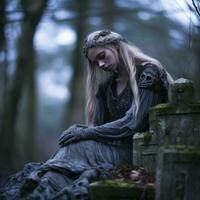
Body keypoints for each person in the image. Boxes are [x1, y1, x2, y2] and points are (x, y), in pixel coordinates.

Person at [0, 30, 173, 200]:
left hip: (137, 150)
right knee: (75, 144)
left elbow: (133, 122)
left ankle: (42, 189)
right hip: (110, 150)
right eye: (96, 63)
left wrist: (84, 132)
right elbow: (98, 129)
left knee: (78, 144)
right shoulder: (106, 87)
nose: (101, 65)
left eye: (102, 56)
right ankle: (39, 189)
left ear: (116, 46)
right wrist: (81, 132)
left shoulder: (148, 73)